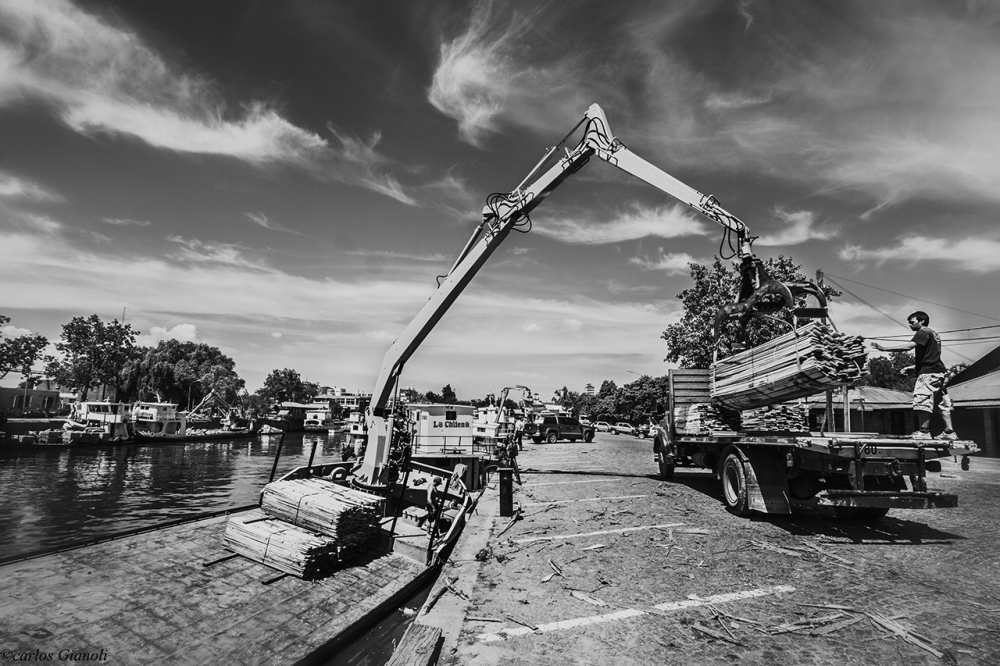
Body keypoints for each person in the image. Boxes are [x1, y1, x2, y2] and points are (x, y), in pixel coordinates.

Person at [871, 311, 957, 440]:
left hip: (928, 375)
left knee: (923, 401)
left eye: (912, 322)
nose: (910, 325)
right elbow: (931, 357)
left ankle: (924, 432)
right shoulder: (934, 334)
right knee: (942, 403)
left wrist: (884, 349)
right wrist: (912, 367)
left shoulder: (923, 332)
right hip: (939, 373)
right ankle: (949, 432)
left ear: (921, 321)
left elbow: (908, 347)